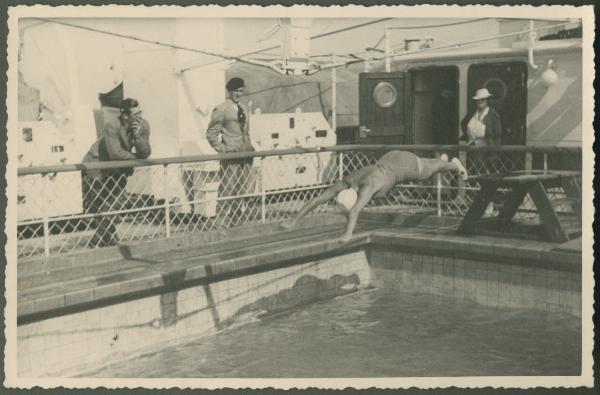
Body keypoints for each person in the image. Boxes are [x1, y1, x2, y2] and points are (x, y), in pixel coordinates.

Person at [280, 150, 468, 242]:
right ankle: (443, 161)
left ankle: (453, 166)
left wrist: (347, 234)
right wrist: (293, 221)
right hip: (389, 158)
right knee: (427, 163)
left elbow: (354, 211)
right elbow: (318, 199)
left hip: (404, 166)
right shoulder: (349, 181)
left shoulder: (367, 186)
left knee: (425, 172)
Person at [82, 98, 151, 247]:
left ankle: (100, 239)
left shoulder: (143, 125)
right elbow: (115, 153)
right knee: (105, 206)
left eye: (140, 112)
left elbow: (146, 152)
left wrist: (138, 137)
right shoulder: (112, 125)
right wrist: (137, 159)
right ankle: (107, 239)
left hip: (118, 168)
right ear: (125, 116)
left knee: (115, 204)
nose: (140, 116)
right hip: (97, 166)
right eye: (135, 114)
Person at [206, 77, 255, 224]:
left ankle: (235, 218)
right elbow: (211, 133)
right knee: (228, 187)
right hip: (231, 154)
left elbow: (246, 132)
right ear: (229, 91)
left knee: (242, 187)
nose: (238, 94)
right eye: (235, 91)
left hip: (246, 154)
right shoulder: (221, 109)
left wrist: (250, 147)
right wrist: (222, 149)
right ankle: (219, 219)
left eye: (241, 91)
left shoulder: (245, 108)